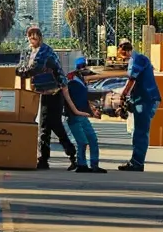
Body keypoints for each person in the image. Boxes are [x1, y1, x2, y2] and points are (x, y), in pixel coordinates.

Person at [16, 25, 75, 169]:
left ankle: (73, 154)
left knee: (54, 124)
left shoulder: (44, 52)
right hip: (45, 93)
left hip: (54, 92)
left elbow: (33, 69)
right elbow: (26, 67)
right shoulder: (33, 52)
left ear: (40, 37)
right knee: (44, 126)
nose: (32, 38)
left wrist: (18, 72)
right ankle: (44, 159)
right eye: (30, 36)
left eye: (35, 36)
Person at [116, 39, 160, 172]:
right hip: (141, 99)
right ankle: (135, 160)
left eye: (123, 55)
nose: (123, 59)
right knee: (137, 131)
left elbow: (132, 80)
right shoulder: (137, 59)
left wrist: (122, 95)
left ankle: (137, 163)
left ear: (125, 50)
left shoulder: (137, 59)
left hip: (146, 99)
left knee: (140, 132)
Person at [62, 57, 105, 173]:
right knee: (82, 141)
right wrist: (74, 112)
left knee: (93, 139)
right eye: (82, 66)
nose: (85, 68)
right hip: (74, 116)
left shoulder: (81, 80)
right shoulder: (71, 79)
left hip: (83, 115)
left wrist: (91, 110)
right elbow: (68, 98)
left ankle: (94, 165)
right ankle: (81, 164)